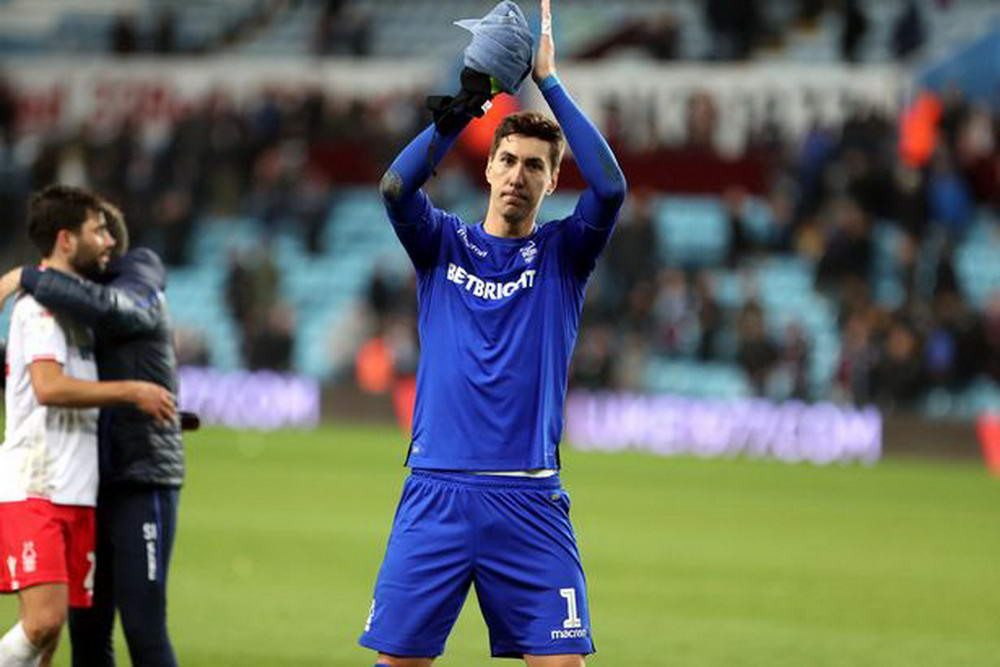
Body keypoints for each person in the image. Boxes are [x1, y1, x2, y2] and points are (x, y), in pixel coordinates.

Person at [358, 1, 626, 665]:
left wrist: (548, 82)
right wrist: (468, 104)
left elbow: (612, 189)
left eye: (535, 165)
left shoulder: (563, 255)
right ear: (487, 168)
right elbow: (396, 188)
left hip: (529, 497)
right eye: (508, 160)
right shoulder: (441, 245)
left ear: (553, 180)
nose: (517, 175)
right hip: (436, 492)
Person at [0, 199, 186, 666]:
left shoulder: (138, 273)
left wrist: (27, 275)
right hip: (84, 483)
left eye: (105, 232)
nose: (103, 240)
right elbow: (37, 369)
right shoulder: (65, 305)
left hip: (141, 478)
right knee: (85, 632)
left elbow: (119, 312)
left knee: (143, 629)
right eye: (94, 231)